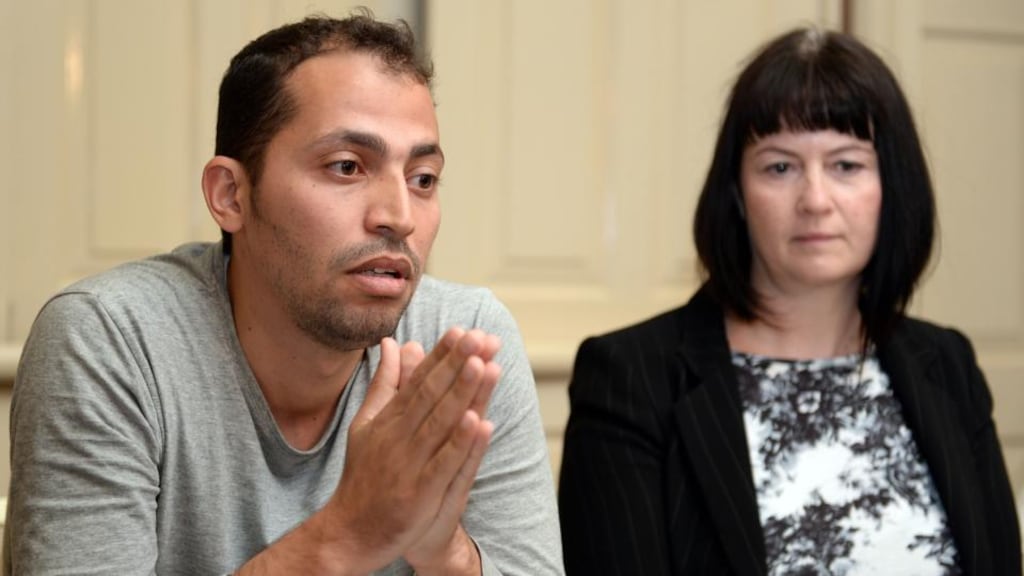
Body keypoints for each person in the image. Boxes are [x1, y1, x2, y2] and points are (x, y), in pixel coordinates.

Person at [4, 12, 563, 576]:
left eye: (423, 179)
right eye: (347, 167)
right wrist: (350, 533)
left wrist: (448, 554)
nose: (399, 217)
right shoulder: (110, 340)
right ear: (231, 195)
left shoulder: (465, 339)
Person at [558, 27, 1021, 576]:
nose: (816, 200)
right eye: (780, 167)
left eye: (847, 165)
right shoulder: (631, 379)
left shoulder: (948, 365)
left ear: (891, 187)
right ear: (736, 193)